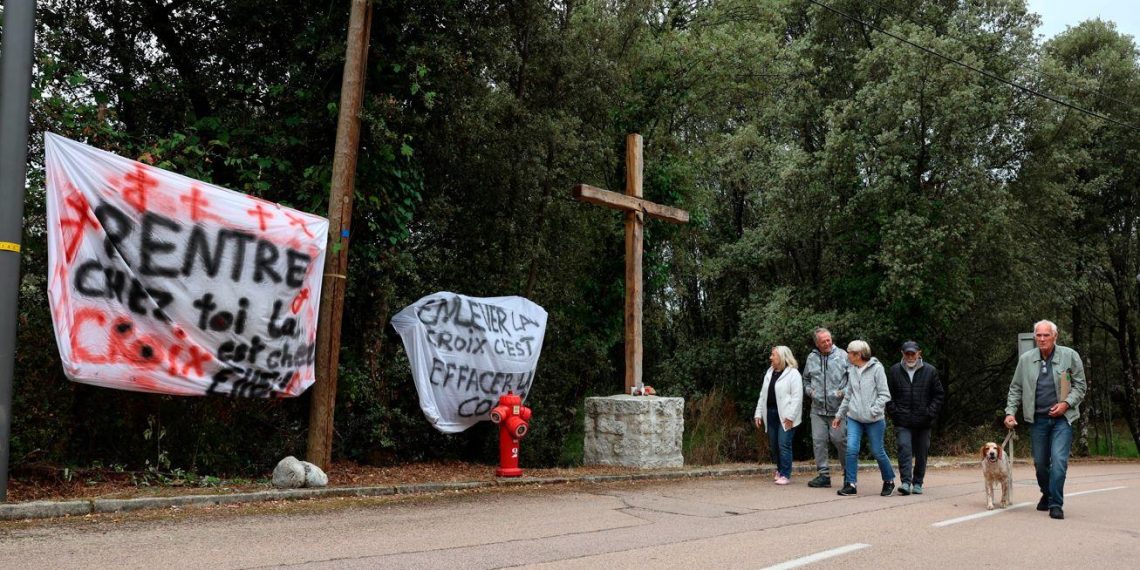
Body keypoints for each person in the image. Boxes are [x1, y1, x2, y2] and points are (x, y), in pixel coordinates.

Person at [1005, 320, 1087, 520]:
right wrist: (1010, 412)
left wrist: (1066, 404)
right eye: (1038, 335)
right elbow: (1016, 388)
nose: (1042, 339)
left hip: (1062, 419)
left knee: (1058, 461)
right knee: (1041, 464)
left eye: (1046, 335)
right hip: (1038, 420)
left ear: (1055, 336)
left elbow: (1080, 386)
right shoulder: (1026, 359)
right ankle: (1047, 492)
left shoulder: (1070, 356)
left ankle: (1055, 504)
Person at [832, 340, 895, 496]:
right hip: (854, 418)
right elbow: (848, 396)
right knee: (852, 449)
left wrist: (873, 410)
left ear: (858, 355)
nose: (847, 354)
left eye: (849, 352)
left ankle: (889, 481)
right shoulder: (852, 370)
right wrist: (839, 415)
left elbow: (885, 395)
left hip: (874, 419)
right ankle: (850, 484)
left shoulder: (877, 369)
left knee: (877, 451)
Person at [886, 341, 944, 496]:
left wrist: (929, 413)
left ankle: (918, 482)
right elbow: (887, 395)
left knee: (921, 452)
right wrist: (895, 413)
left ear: (919, 353)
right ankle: (905, 482)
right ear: (902, 353)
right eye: (907, 353)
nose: (910, 356)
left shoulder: (930, 371)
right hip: (902, 420)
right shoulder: (894, 371)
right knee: (904, 449)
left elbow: (938, 395)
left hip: (923, 421)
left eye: (913, 353)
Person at [803, 327, 849, 488]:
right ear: (817, 343)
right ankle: (823, 475)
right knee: (818, 441)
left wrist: (842, 392)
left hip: (838, 409)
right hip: (817, 409)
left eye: (829, 339)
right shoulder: (811, 358)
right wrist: (810, 391)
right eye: (823, 341)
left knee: (840, 440)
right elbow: (806, 380)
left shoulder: (843, 355)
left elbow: (853, 379)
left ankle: (848, 474)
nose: (827, 343)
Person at [754, 346, 804, 485]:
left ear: (782, 357)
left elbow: (797, 397)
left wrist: (790, 417)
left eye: (773, 355)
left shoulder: (793, 374)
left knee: (784, 444)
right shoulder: (770, 372)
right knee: (774, 445)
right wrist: (758, 413)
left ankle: (785, 474)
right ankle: (779, 469)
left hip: (786, 416)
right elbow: (763, 395)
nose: (771, 357)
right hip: (770, 413)